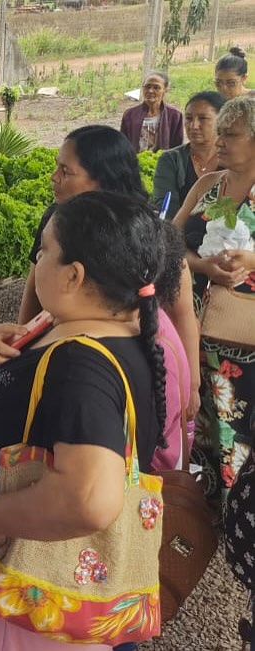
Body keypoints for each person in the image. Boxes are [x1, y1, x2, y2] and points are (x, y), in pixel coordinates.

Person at [0, 192, 166, 651]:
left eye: (44, 250)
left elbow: (89, 498)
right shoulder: (109, 327)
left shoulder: (83, 365)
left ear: (74, 275)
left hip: (22, 603)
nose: (37, 260)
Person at [8, 125, 200, 422]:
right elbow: (33, 293)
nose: (54, 177)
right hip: (60, 364)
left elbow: (182, 311)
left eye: (65, 171)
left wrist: (192, 384)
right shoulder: (56, 223)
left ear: (102, 179)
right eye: (56, 167)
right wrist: (20, 352)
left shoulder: (145, 233)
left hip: (128, 377)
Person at [172, 95, 255, 492]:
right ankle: (205, 507)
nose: (219, 141)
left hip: (244, 344)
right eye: (219, 132)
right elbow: (169, 240)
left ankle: (237, 510)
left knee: (240, 435)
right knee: (201, 429)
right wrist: (202, 265)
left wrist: (250, 261)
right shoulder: (209, 185)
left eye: (231, 135)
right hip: (193, 332)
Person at [152, 91, 225, 219]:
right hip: (178, 228)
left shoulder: (234, 160)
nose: (194, 126)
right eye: (189, 118)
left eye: (203, 118)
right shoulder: (170, 159)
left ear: (221, 121)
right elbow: (167, 209)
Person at [120, 71, 184, 152]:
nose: (150, 90)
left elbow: (178, 148)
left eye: (156, 87)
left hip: (164, 159)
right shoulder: (130, 115)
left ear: (165, 90)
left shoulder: (175, 116)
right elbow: (123, 145)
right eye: (147, 86)